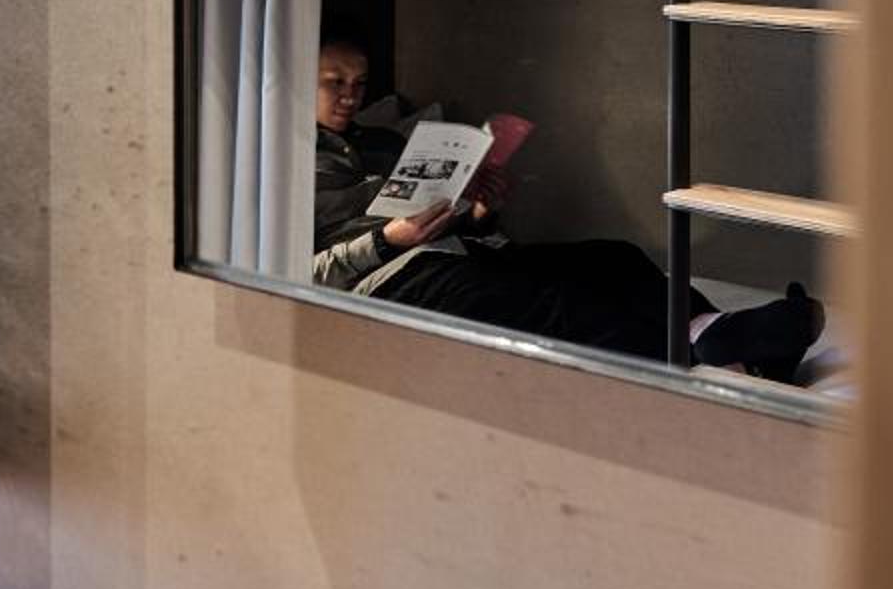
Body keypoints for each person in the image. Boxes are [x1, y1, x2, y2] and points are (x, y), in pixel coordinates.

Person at [311, 30, 821, 378]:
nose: (350, 96)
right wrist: (387, 240)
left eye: (359, 83)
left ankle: (722, 333)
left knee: (614, 258)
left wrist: (481, 215)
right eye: (335, 82)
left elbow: (435, 215)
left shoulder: (384, 142)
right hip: (386, 277)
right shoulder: (285, 161)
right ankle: (717, 358)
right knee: (553, 302)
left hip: (453, 249)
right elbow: (304, 272)